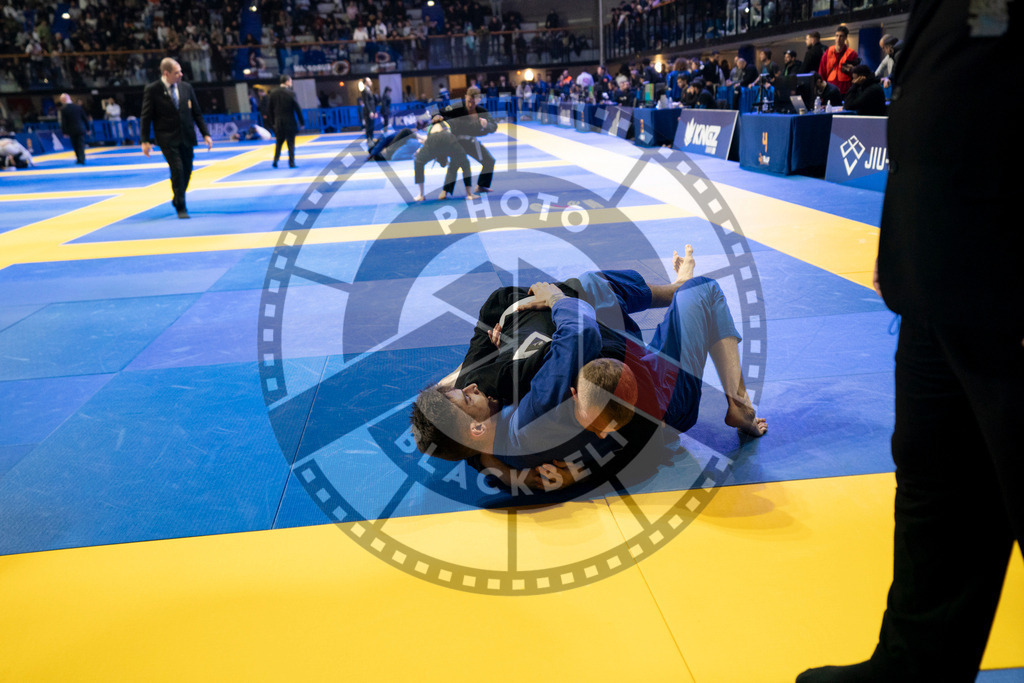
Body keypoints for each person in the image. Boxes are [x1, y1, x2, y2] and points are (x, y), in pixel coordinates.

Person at [796, 1, 1023, 681]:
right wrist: (909, 232)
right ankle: (913, 667)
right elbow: (969, 58)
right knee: (939, 483)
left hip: (1008, 268)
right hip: (937, 259)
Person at [412, 248, 765, 483]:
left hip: (630, 370)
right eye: (466, 398)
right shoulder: (526, 422)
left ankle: (674, 289)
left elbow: (471, 367)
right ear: (475, 430)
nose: (473, 388)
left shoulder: (485, 438)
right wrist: (556, 300)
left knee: (591, 286)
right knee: (705, 290)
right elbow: (582, 333)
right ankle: (739, 403)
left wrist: (494, 465)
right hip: (662, 396)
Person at [140, 57, 213, 219]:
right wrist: (144, 140)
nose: (181, 74)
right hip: (167, 138)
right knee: (177, 169)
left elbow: (197, 113)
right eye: (176, 72)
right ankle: (181, 206)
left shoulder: (186, 87)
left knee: (187, 170)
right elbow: (146, 116)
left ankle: (177, 196)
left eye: (180, 71)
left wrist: (206, 134)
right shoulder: (153, 89)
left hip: (186, 136)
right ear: (166, 74)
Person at [440, 85, 497, 194]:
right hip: (457, 142)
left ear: (479, 100)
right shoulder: (457, 106)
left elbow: (494, 126)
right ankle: (445, 191)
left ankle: (482, 185)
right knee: (454, 165)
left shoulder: (482, 111)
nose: (471, 105)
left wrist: (486, 125)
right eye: (469, 101)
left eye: (474, 102)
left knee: (489, 161)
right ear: (465, 97)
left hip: (471, 142)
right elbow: (441, 113)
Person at [411, 118, 476, 202]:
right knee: (465, 163)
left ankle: (421, 195)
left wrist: (420, 151)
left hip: (434, 140)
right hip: (447, 139)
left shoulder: (432, 128)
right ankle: (469, 194)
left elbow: (428, 142)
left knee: (418, 162)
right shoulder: (446, 125)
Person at [265, 74, 304, 168]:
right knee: (290, 143)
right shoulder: (291, 93)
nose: (291, 83)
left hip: (278, 122)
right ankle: (291, 163)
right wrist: (301, 121)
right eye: (290, 81)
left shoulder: (273, 93)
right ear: (286, 82)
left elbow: (269, 109)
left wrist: (273, 122)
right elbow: (297, 108)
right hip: (290, 121)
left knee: (279, 142)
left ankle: (275, 160)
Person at [819, 24, 860, 96]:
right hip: (830, 89)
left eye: (841, 36)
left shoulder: (851, 54)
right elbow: (822, 71)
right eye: (837, 36)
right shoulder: (828, 52)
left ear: (845, 38)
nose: (838, 38)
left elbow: (856, 74)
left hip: (845, 90)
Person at [58, 93, 89, 165]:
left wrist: (64, 132)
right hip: (80, 128)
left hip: (71, 130)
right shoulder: (78, 107)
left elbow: (63, 122)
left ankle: (79, 159)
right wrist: (88, 128)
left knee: (75, 145)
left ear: (64, 100)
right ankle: (82, 159)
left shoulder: (63, 109)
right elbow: (85, 119)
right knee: (81, 144)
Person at [360, 77, 377, 145]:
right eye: (369, 81)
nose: (371, 82)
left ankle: (371, 139)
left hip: (372, 111)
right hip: (368, 112)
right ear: (366, 82)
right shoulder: (364, 91)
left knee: (372, 126)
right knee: (369, 126)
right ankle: (369, 140)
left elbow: (372, 102)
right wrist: (370, 111)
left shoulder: (369, 90)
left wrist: (374, 112)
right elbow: (366, 102)